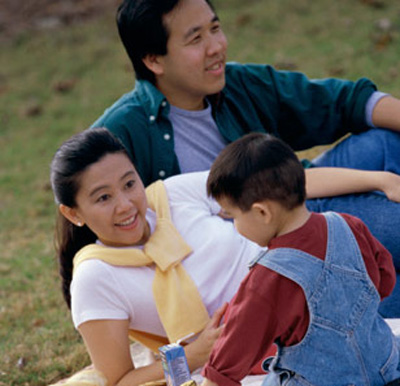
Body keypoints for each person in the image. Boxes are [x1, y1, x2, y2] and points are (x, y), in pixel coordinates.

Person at [91, 0, 400, 316]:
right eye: (196, 39)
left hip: (300, 191)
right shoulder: (119, 133)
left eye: (215, 28)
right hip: (267, 252)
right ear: (154, 60)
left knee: (388, 141)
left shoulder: (237, 83)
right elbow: (96, 236)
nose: (216, 47)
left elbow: (342, 102)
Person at [50, 128, 400, 386]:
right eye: (103, 198)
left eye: (129, 184)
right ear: (73, 213)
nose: (126, 205)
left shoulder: (172, 195)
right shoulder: (95, 278)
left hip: (318, 288)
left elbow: (278, 189)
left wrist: (380, 179)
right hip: (258, 357)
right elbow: (120, 380)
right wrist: (195, 355)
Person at [201, 133, 400, 386]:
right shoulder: (350, 225)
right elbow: (384, 282)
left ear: (262, 212)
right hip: (384, 368)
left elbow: (230, 356)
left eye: (233, 217)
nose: (235, 225)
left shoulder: (266, 279)